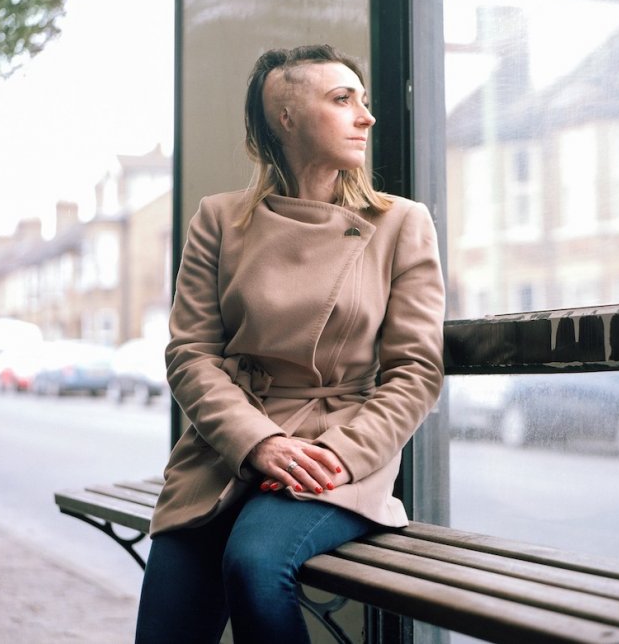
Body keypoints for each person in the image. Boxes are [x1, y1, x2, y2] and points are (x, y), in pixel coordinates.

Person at [135, 44, 445, 643]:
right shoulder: (219, 220)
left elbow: (415, 372)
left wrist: (339, 455)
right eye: (342, 99)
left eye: (365, 100)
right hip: (226, 448)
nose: (366, 117)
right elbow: (190, 353)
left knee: (253, 564)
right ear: (287, 116)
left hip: (337, 449)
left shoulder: (401, 223)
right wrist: (257, 442)